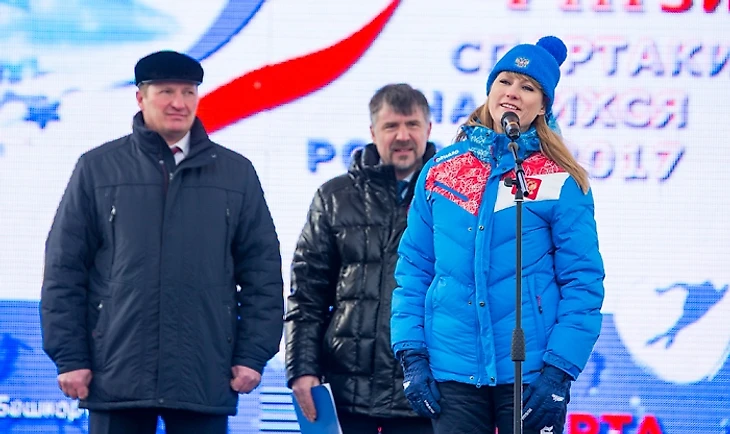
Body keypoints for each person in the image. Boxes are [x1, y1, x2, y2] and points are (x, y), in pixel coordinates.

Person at [39, 50, 284, 434]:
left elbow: (262, 273)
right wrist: (70, 356)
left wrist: (252, 354)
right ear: (141, 97)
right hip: (116, 373)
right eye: (166, 91)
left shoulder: (236, 174)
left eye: (188, 92)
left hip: (203, 372)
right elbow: (64, 269)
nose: (178, 103)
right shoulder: (98, 168)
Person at [390, 36, 605, 434]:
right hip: (452, 369)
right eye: (505, 81)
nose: (512, 93)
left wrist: (559, 371)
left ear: (543, 106)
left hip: (531, 373)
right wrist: (412, 355)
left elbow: (583, 282)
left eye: (528, 87)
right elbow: (414, 268)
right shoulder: (441, 171)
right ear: (490, 90)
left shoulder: (560, 179)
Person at [285, 83, 436, 434]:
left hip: (423, 393)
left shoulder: (452, 197)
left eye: (412, 125)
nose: (402, 136)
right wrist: (302, 368)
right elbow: (306, 295)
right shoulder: (334, 196)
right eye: (391, 126)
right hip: (345, 396)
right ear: (372, 132)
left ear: (428, 129)